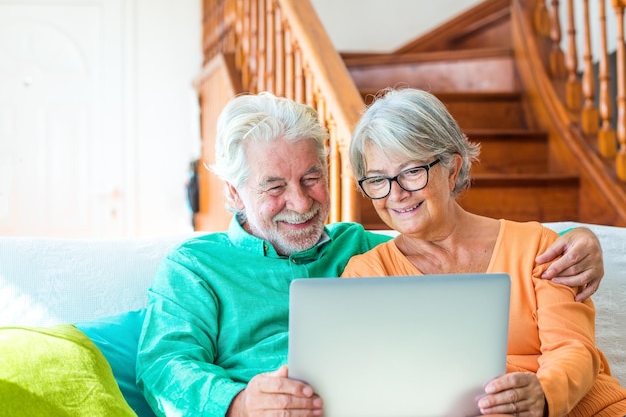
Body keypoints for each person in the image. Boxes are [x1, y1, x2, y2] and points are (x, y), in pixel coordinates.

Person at [136, 92, 606, 417]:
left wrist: (583, 238)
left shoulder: (356, 246)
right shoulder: (194, 267)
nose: (300, 203)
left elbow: (440, 241)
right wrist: (238, 404)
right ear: (234, 195)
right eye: (274, 186)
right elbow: (161, 367)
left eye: (311, 178)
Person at [341, 87, 626, 417]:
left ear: (452, 168)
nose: (397, 193)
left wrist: (543, 395)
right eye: (377, 180)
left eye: (412, 172)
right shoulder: (366, 276)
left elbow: (573, 348)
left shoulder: (538, 247)